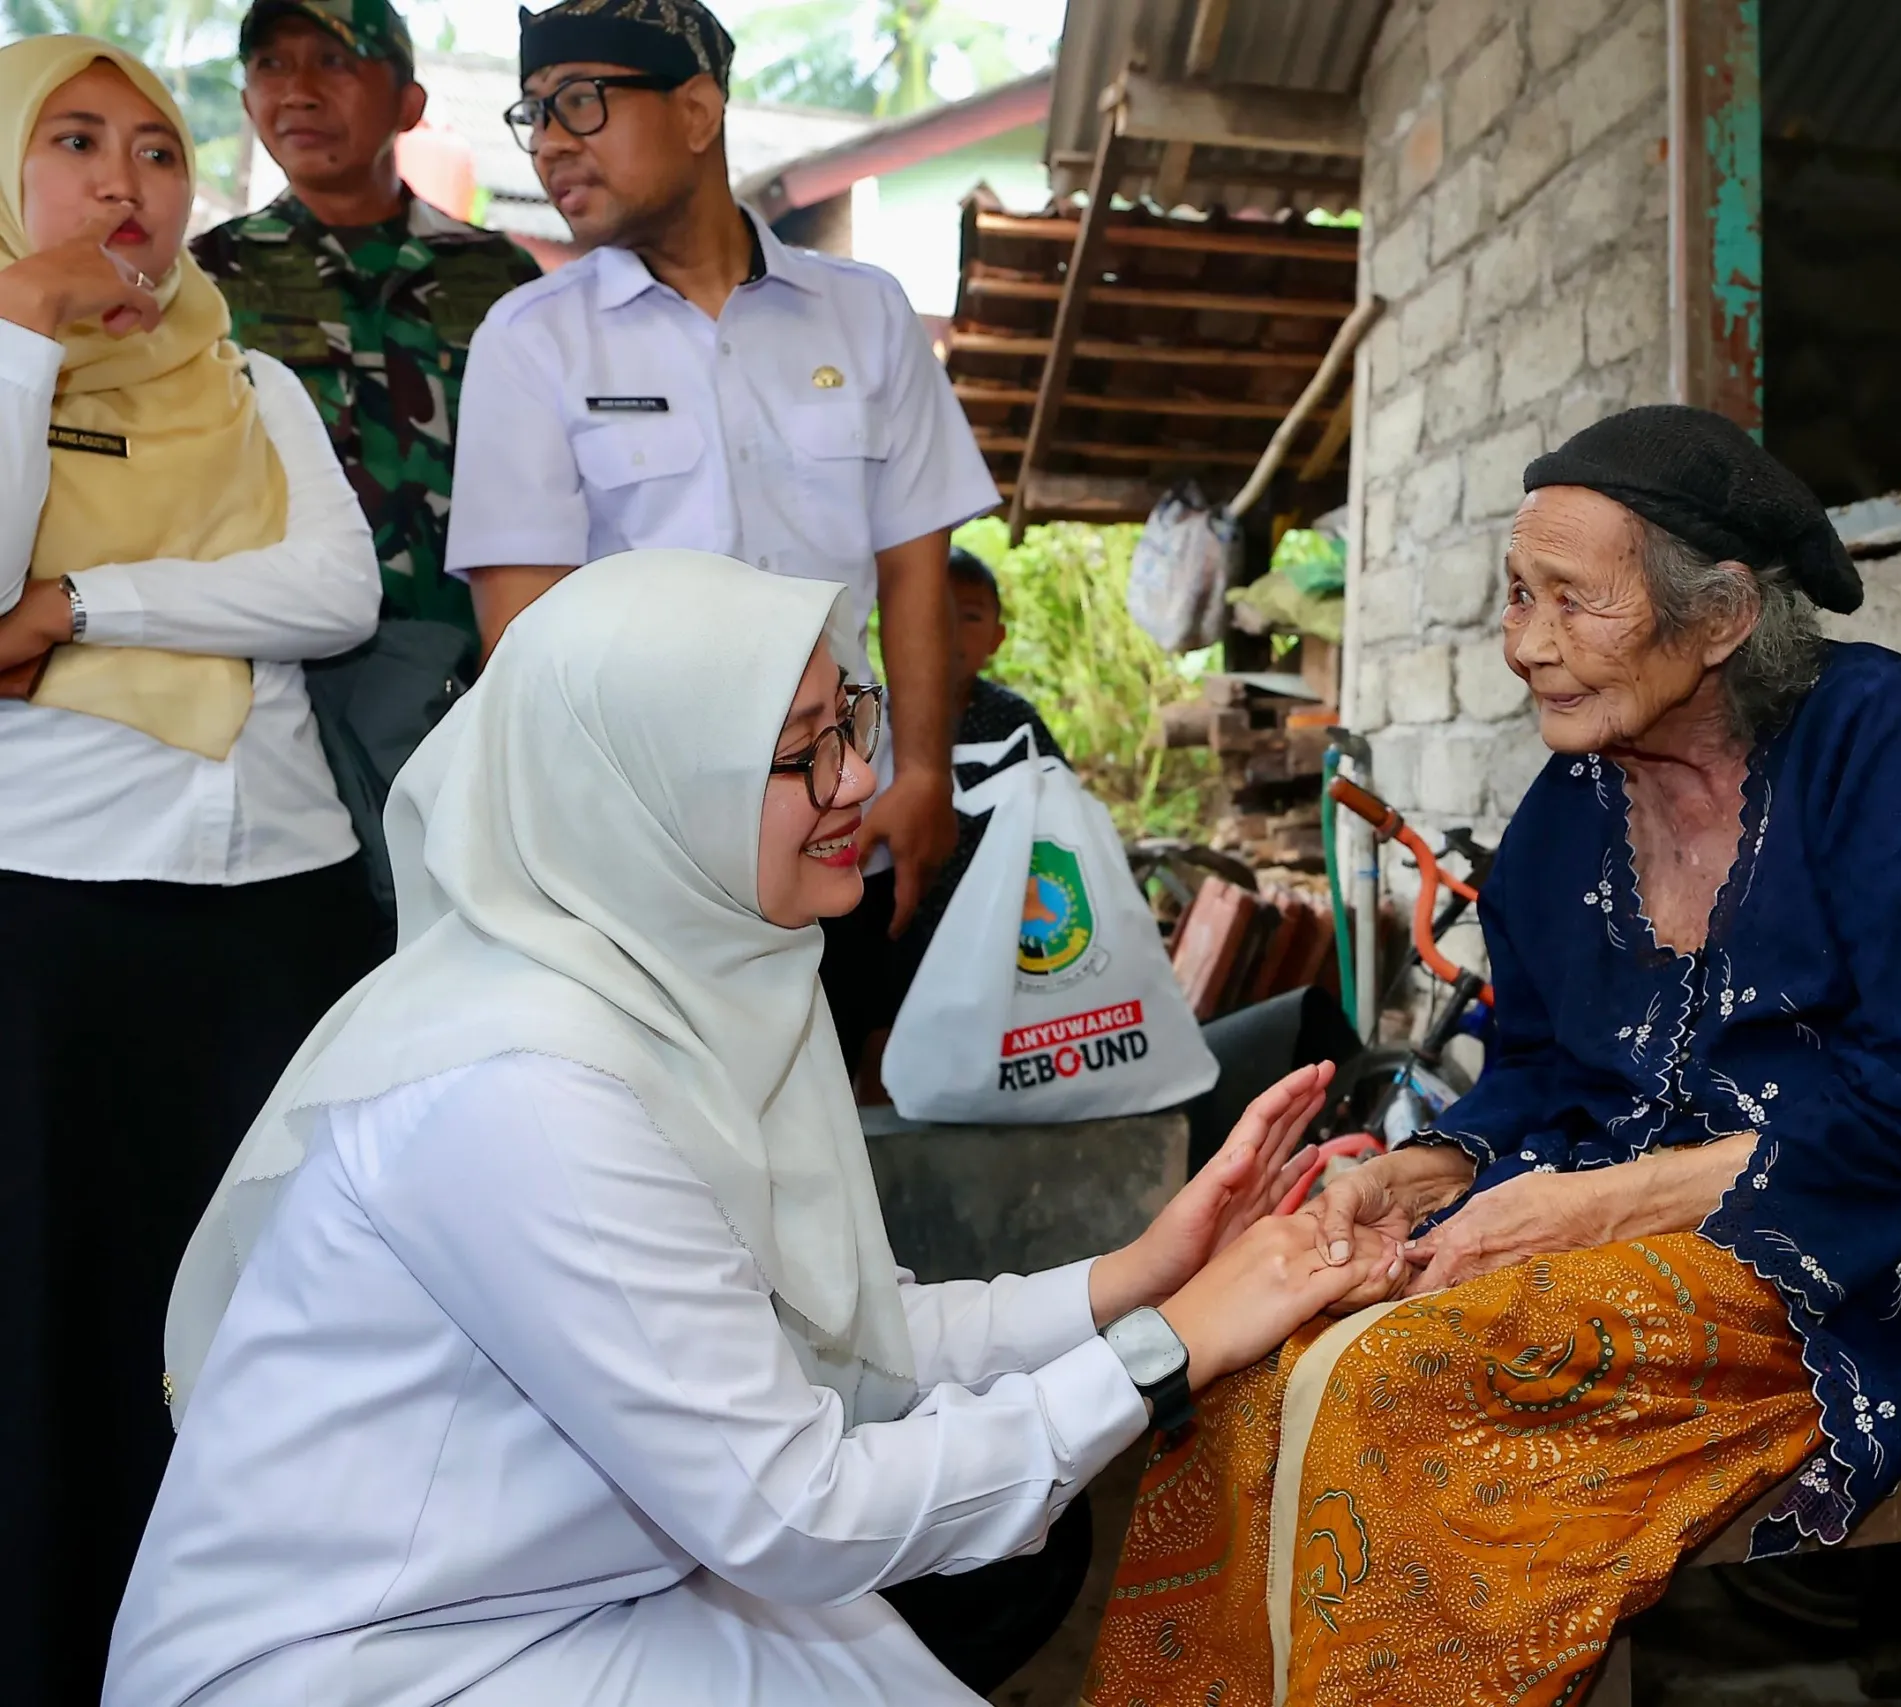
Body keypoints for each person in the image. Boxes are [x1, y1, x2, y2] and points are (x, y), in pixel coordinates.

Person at [105, 549, 1398, 1706]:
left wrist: (1138, 1274)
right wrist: (1169, 1345)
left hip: (567, 1587)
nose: (862, 782)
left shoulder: (696, 982)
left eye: (854, 720)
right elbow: (793, 1501)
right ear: (644, 789)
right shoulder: (520, 1088)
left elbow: (846, 1339)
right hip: (376, 1653)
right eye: (801, 753)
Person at [1082, 407, 1901, 1706]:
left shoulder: (1866, 735)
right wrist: (1428, 1171)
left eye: (1569, 599)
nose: (1524, 644)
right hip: (1622, 1246)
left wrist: (1593, 1204)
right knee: (1260, 1348)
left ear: (1719, 617)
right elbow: (1540, 1073)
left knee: (1401, 1377)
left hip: (1861, 1261)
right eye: (1515, 594)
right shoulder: (1570, 807)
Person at [0, 35, 381, 1700]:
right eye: (74, 142)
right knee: (58, 1318)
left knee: (264, 1317)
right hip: (54, 913)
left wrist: (80, 607)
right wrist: (23, 327)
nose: (122, 183)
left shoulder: (256, 381)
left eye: (157, 152)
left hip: (278, 912)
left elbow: (335, 594)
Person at [444, 0, 982, 965]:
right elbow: (525, 641)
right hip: (649, 852)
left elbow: (914, 570)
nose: (550, 145)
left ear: (697, 113)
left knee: (837, 1108)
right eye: (534, 115)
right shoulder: (531, 342)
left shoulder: (866, 314)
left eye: (581, 102)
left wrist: (926, 770)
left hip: (843, 817)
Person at [193, 0, 543, 641]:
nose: (298, 92)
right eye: (271, 65)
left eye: (333, 61)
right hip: (283, 666)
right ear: (247, 102)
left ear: (409, 104)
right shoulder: (201, 280)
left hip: (478, 657)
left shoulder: (502, 277)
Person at [822, 544, 1064, 1092]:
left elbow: (1057, 805)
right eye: (942, 615)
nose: (952, 633)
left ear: (998, 637)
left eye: (971, 617)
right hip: (908, 911)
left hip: (997, 914)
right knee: (888, 1030)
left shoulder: (1013, 720)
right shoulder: (868, 717)